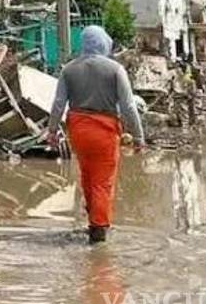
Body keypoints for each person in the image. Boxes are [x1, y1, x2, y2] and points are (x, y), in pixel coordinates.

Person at [46, 25, 145, 244]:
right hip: (105, 130)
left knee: (88, 175)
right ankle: (98, 232)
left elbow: (58, 104)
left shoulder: (68, 70)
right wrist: (138, 137)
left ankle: (93, 217)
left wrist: (52, 131)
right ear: (104, 43)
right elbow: (129, 106)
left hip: (78, 131)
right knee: (102, 181)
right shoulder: (115, 69)